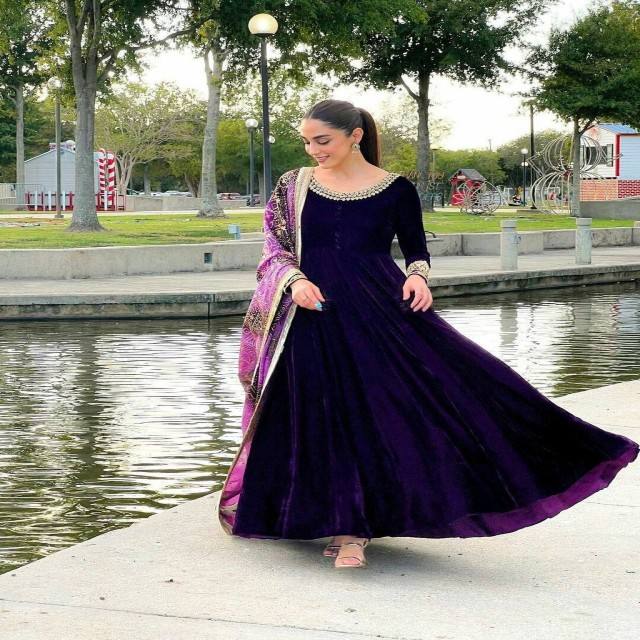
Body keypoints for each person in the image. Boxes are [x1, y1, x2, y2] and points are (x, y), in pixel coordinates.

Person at [217, 99, 639, 569]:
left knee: (417, 401)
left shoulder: (395, 189)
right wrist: (294, 281)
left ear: (355, 136)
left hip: (378, 309)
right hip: (309, 313)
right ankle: (319, 517)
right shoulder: (293, 186)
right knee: (314, 414)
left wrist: (418, 276)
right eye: (307, 142)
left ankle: (354, 530)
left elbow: (416, 250)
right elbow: (274, 247)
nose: (314, 150)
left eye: (323, 140)